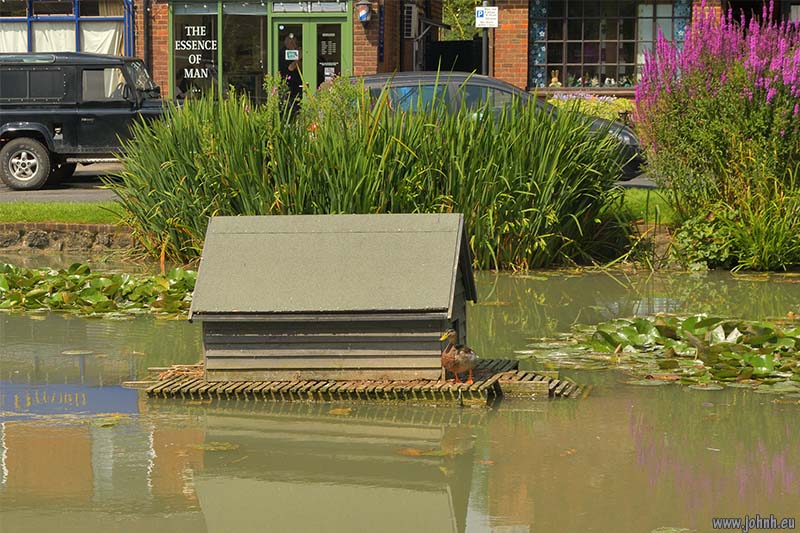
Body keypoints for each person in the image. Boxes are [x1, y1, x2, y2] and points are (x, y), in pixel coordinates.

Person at [279, 33, 303, 109]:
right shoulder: (283, 53)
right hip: (288, 86)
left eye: (295, 42)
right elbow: (291, 67)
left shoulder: (296, 52)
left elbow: (301, 67)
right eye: (291, 42)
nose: (294, 44)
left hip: (298, 86)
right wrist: (299, 57)